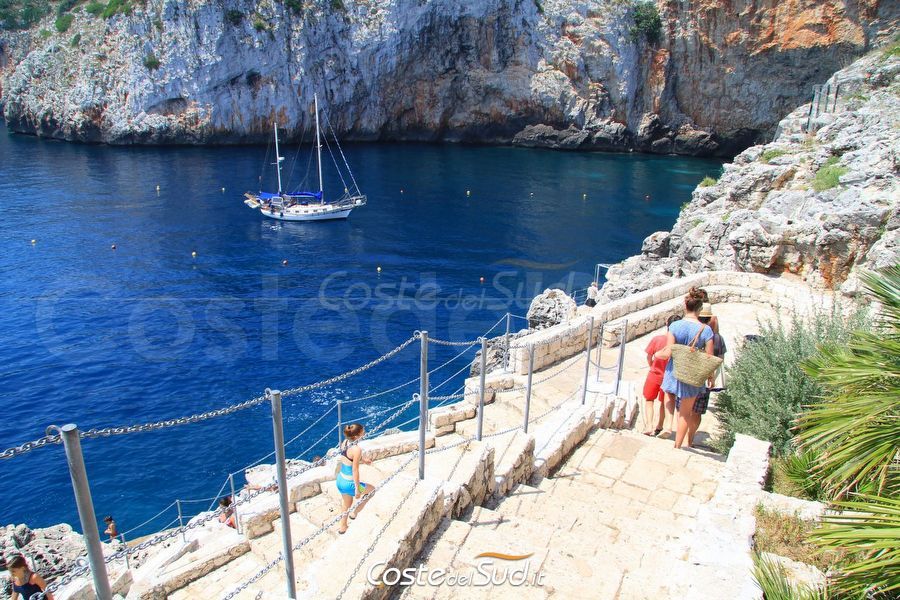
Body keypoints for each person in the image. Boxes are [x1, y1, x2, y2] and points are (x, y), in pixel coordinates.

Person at [653, 288, 715, 449]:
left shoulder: (675, 326)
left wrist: (656, 355)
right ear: (700, 308)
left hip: (674, 370)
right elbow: (709, 358)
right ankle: (678, 446)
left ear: (685, 306)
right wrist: (711, 377)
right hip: (693, 375)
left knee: (669, 393)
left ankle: (668, 424)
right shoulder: (706, 330)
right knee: (686, 413)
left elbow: (667, 352)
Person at [689, 304, 728, 447]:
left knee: (686, 408)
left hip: (690, 376)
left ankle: (680, 437)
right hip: (705, 380)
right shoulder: (718, 338)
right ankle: (690, 438)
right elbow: (720, 360)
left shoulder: (691, 331)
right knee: (697, 412)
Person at [642, 314, 680, 437]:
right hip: (668, 377)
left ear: (667, 325)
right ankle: (659, 426)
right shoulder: (677, 345)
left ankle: (648, 426)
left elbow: (649, 356)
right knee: (664, 402)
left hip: (654, 374)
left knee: (649, 400)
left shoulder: (657, 339)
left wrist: (652, 365)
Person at [336, 423, 376, 535]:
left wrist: (364, 460)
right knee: (372, 490)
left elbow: (350, 457)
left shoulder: (344, 442)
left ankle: (342, 527)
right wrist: (357, 489)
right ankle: (355, 512)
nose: (365, 432)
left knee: (346, 503)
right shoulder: (357, 449)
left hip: (340, 481)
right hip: (350, 484)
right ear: (357, 435)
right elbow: (355, 470)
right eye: (363, 431)